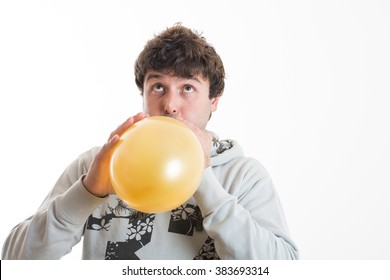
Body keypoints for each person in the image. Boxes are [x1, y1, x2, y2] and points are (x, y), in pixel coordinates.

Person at [2, 24, 299, 260]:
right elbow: (15, 262)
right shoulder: (97, 165)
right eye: (158, 86)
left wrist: (206, 183)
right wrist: (86, 193)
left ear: (214, 101)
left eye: (187, 88)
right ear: (143, 94)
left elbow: (281, 267)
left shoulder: (243, 176)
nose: (170, 104)